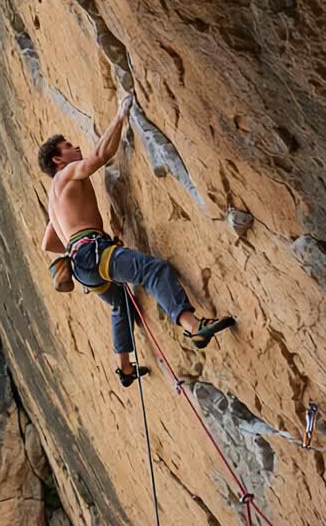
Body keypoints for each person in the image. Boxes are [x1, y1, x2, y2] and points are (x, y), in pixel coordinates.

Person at [38, 95, 235, 386]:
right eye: (68, 146)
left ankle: (125, 368)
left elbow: (48, 244)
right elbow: (99, 157)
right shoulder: (67, 173)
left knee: (123, 303)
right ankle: (193, 326)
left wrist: (78, 241)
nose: (75, 147)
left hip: (83, 267)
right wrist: (120, 116)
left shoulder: (54, 201)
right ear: (58, 159)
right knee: (153, 270)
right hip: (95, 252)